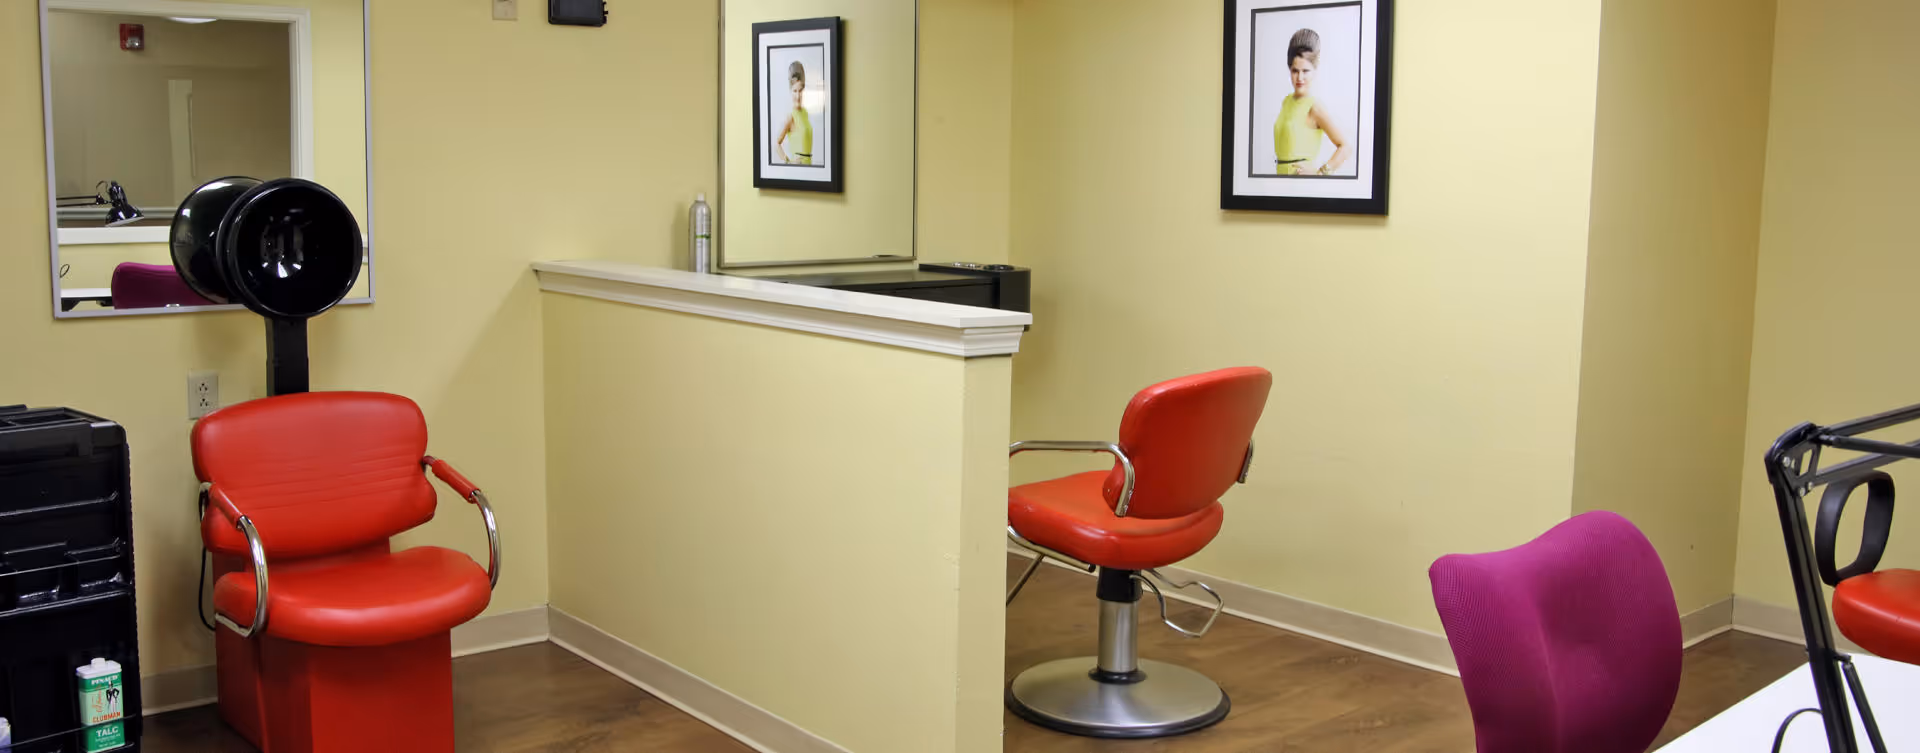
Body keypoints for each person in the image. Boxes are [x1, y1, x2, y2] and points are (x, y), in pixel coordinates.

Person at [1272, 29, 1351, 176]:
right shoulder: (1286, 101)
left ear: (1314, 71)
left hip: (1301, 186)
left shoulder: (1314, 107)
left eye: (1305, 71)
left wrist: (1320, 173)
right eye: (1295, 71)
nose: (1300, 77)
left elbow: (1345, 147)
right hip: (1279, 183)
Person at [774, 61, 813, 165]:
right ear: (791, 91)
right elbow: (777, 144)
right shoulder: (791, 117)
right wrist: (788, 162)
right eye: (795, 91)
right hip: (798, 170)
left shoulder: (805, 113)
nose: (798, 95)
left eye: (800, 90)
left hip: (810, 167)